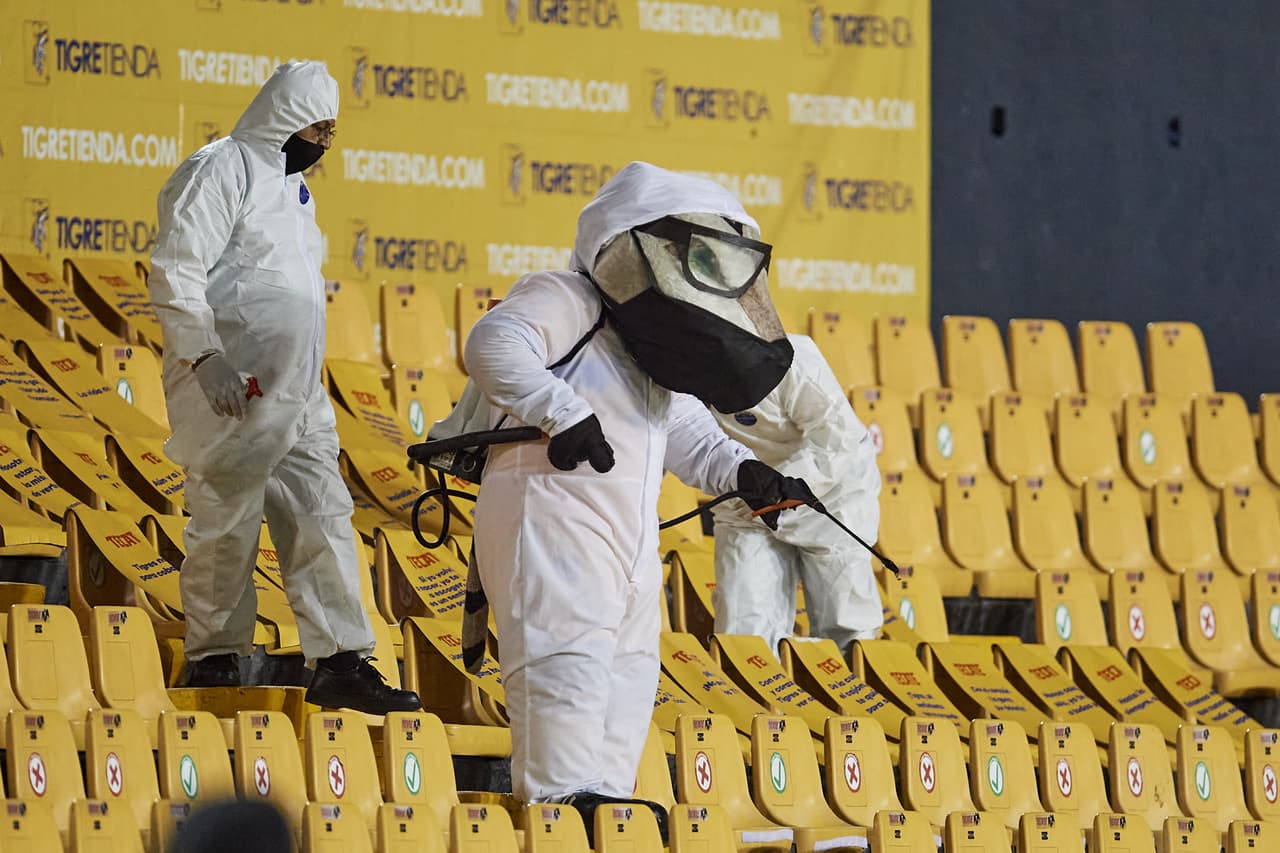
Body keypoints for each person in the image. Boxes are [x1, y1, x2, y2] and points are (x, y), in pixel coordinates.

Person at [462, 162, 810, 835]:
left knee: (627, 671)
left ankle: (603, 813)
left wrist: (744, 471)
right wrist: (563, 412)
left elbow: (684, 433)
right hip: (551, 518)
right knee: (566, 661)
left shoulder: (650, 353)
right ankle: (559, 805)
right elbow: (494, 343)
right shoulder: (568, 296)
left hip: (623, 538)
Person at [148, 61, 419, 715]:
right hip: (229, 386)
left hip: (298, 392)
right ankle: (214, 659)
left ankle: (342, 661)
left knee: (322, 516)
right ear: (282, 118)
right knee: (227, 522)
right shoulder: (221, 168)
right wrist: (204, 356)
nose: (324, 142)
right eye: (315, 127)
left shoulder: (296, 193)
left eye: (331, 131)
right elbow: (176, 265)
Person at [710, 334, 884, 655]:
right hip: (748, 498)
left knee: (848, 632)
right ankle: (758, 705)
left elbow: (837, 437)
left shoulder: (792, 357)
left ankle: (851, 702)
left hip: (833, 495)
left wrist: (783, 483)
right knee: (743, 635)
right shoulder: (683, 364)